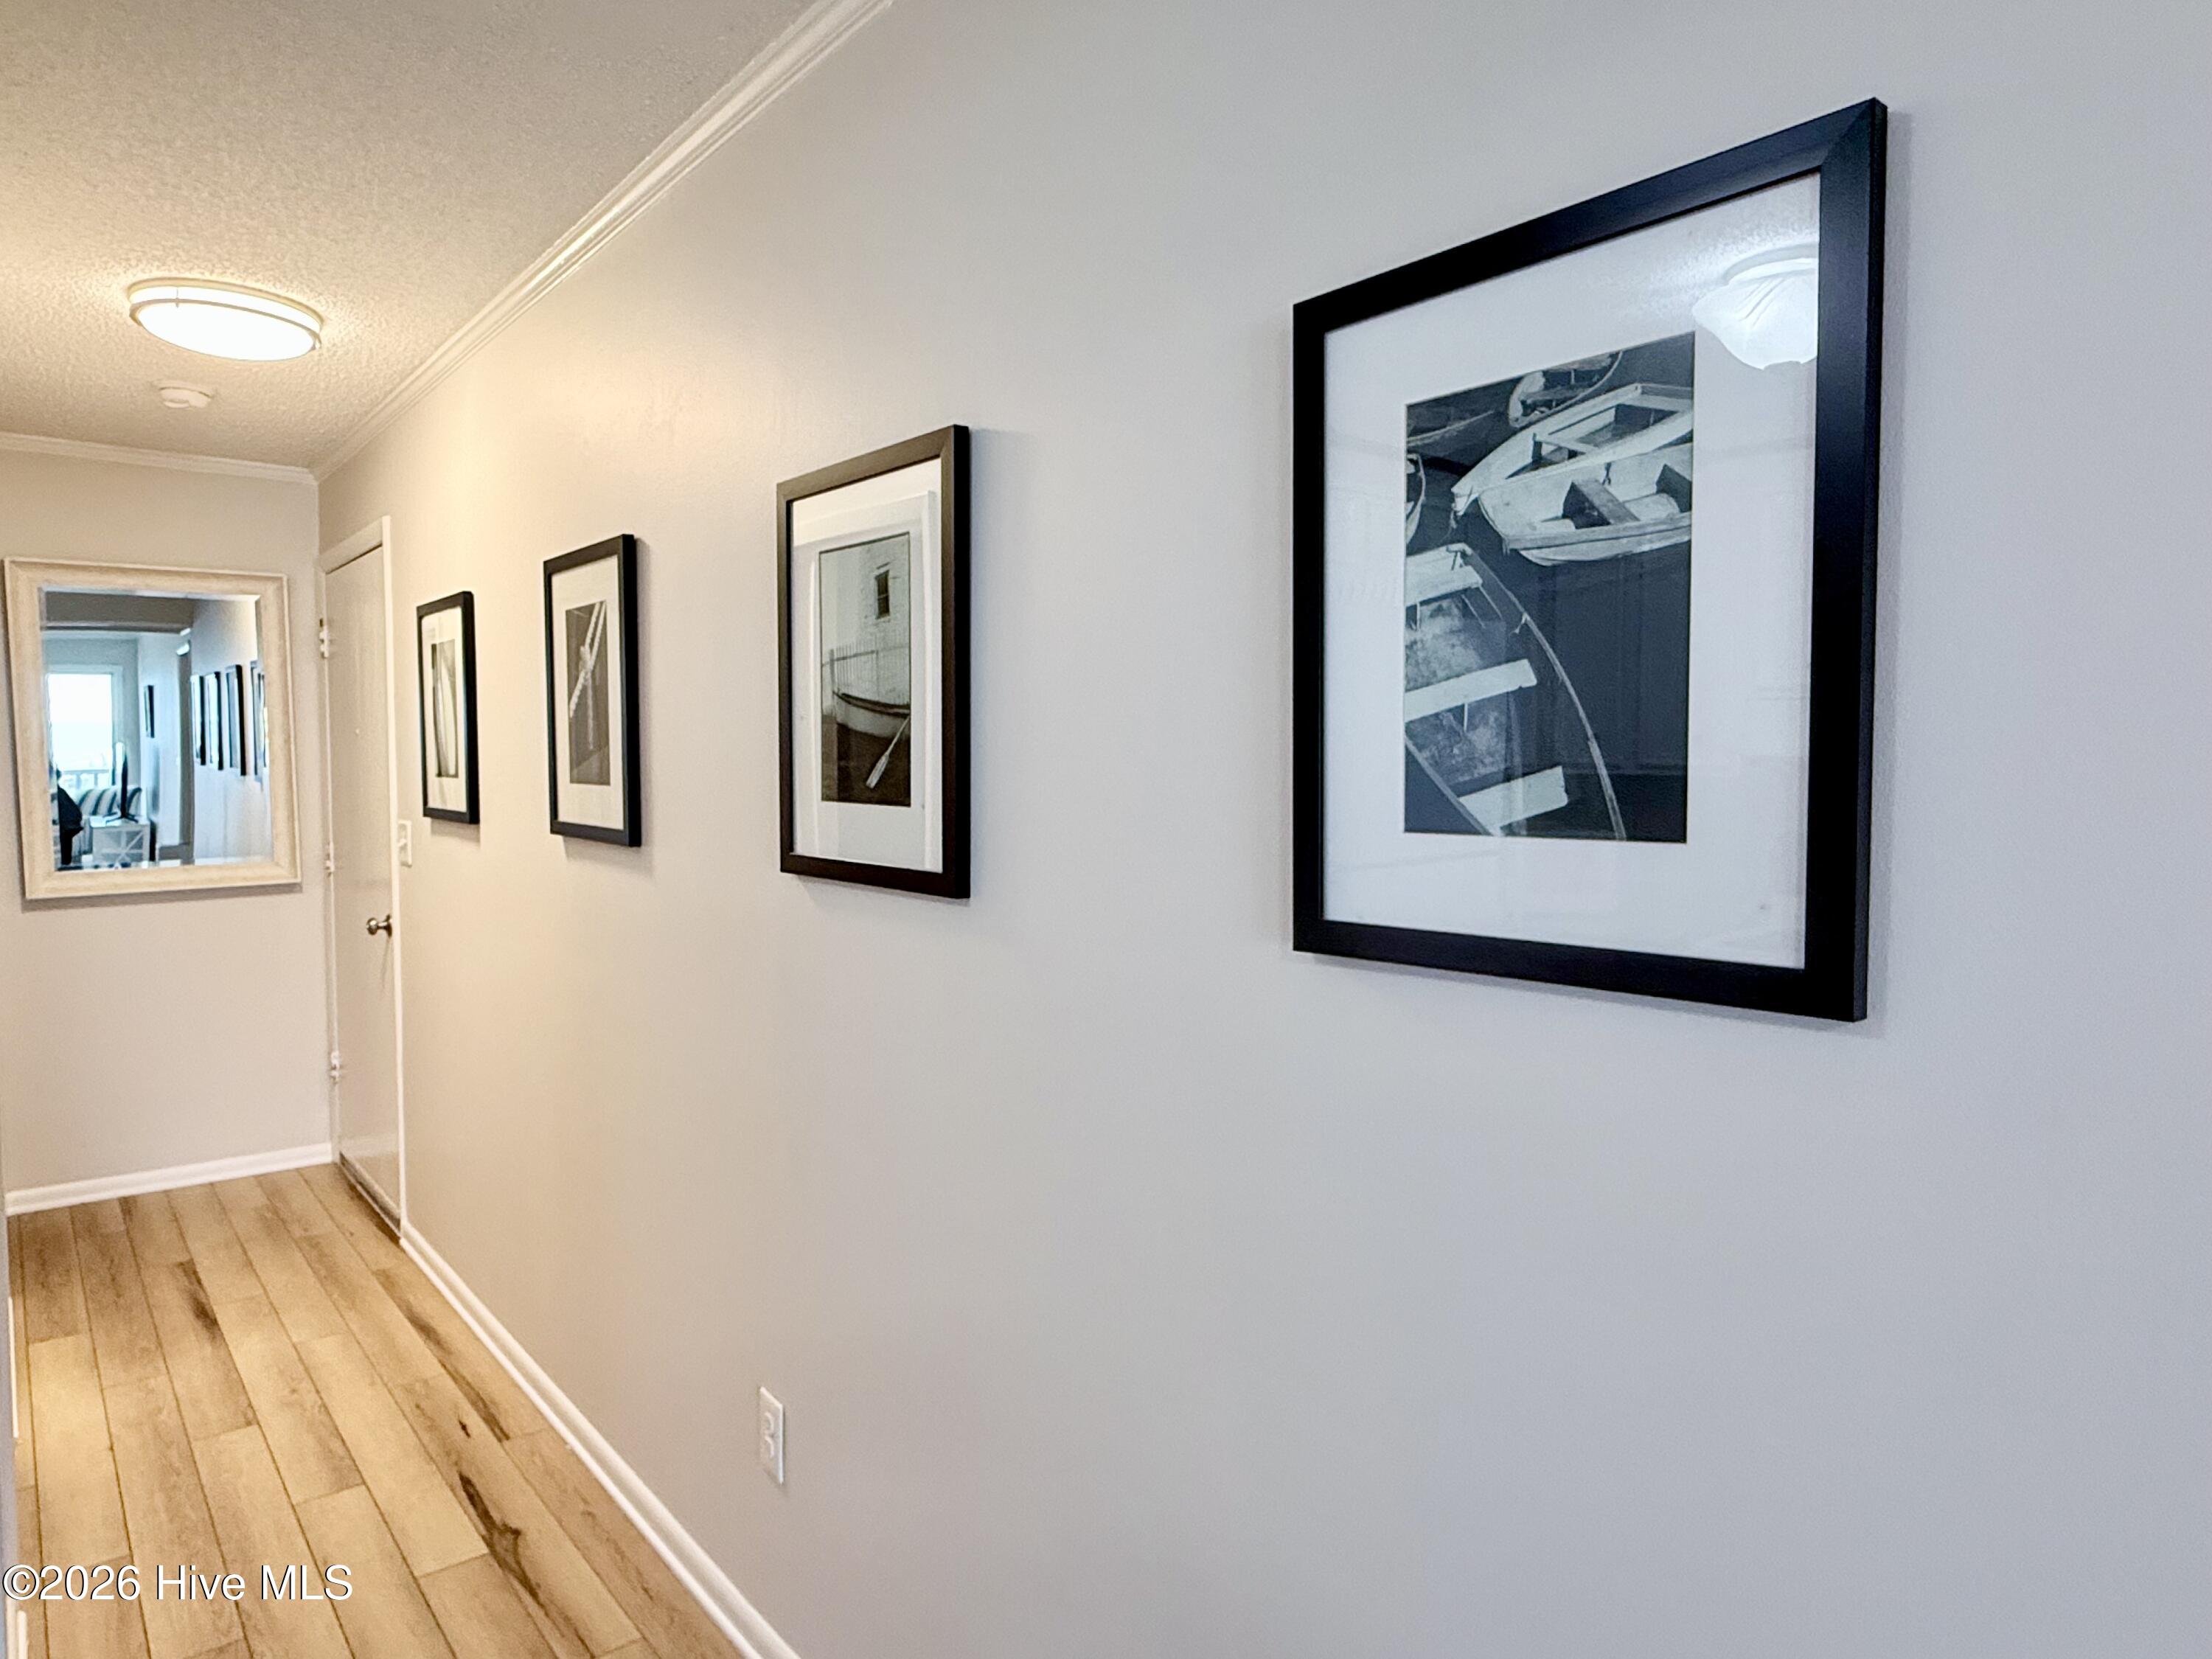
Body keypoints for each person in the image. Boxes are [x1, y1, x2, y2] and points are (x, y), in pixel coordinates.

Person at [52, 770, 83, 867]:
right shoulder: (60, 792)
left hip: (67, 826)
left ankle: (64, 865)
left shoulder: (56, 794)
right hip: (71, 824)